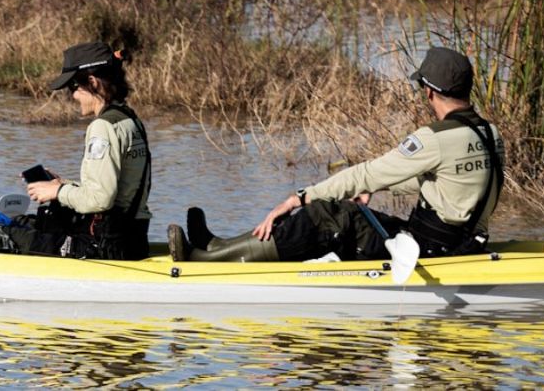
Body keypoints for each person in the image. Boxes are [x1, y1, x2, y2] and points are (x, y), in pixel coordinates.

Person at [169, 47, 503, 263]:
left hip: (425, 251)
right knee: (344, 213)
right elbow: (453, 186)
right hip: (460, 245)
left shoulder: (434, 138)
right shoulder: (490, 133)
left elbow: (364, 174)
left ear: (429, 91)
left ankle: (205, 261)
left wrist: (298, 198)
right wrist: (385, 188)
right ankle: (217, 245)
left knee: (328, 216)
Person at [0, 41, 154, 260]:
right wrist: (62, 184)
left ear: (93, 82)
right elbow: (116, 193)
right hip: (133, 240)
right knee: (24, 223)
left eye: (72, 88)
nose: (73, 96)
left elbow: (101, 199)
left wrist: (56, 192)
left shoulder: (102, 127)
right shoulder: (130, 120)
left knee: (1, 233)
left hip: (103, 247)